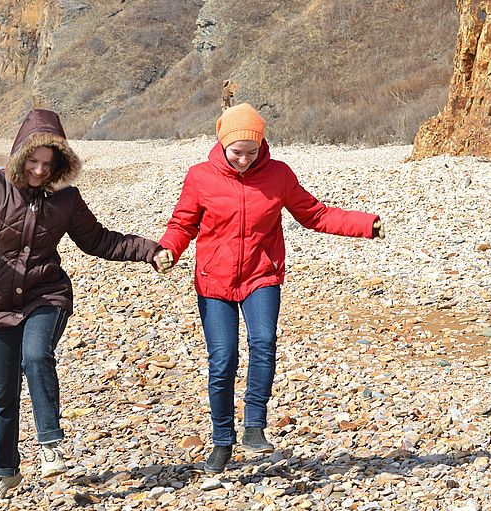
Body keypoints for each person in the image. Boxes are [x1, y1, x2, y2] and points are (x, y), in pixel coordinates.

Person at [0, 108, 162, 499]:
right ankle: (4, 470)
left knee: (36, 356)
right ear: (20, 156)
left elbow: (99, 241)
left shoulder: (66, 200)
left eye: (48, 164)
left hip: (46, 296)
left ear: (59, 164)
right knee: (2, 396)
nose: (39, 171)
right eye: (33, 162)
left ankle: (50, 445)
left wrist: (149, 251)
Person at [151, 103, 385, 474]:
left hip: (262, 274)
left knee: (263, 341)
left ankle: (254, 426)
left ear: (263, 145)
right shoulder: (200, 177)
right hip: (214, 280)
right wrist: (168, 250)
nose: (244, 160)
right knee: (223, 359)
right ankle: (221, 440)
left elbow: (315, 214)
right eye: (236, 152)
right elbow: (183, 224)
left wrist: (365, 224)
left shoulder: (278, 175)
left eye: (251, 151)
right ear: (221, 143)